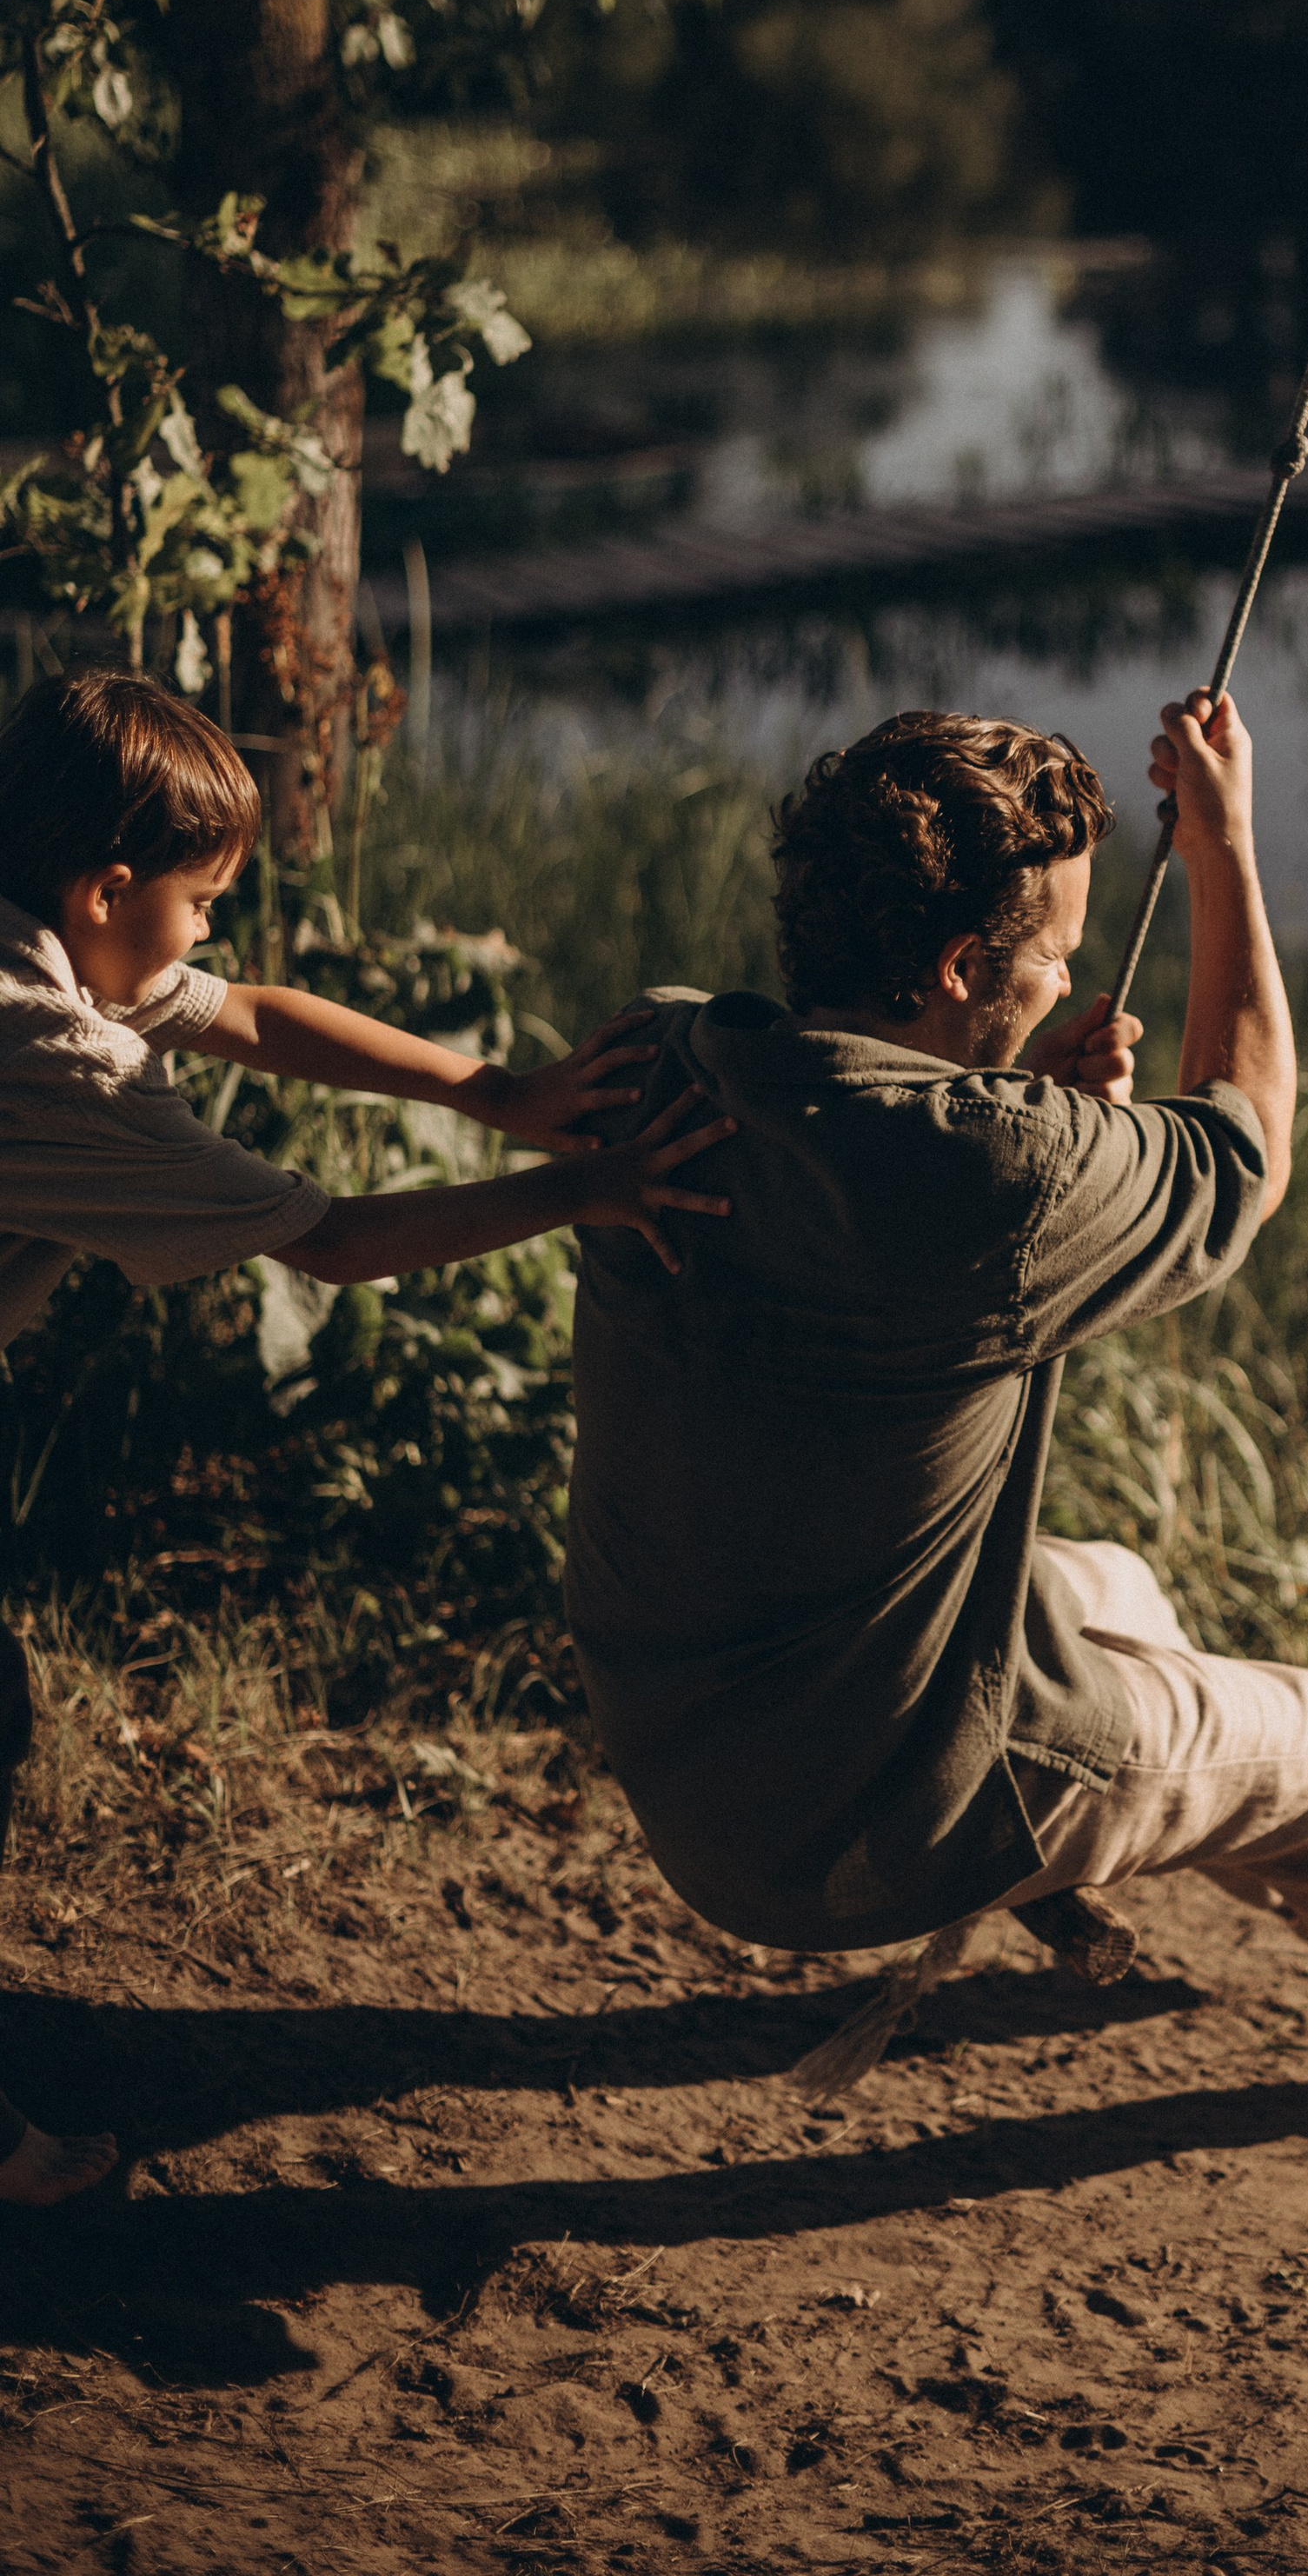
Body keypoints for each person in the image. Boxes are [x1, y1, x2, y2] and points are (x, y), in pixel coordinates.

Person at [566, 687, 1308, 2066]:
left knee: (1112, 1589)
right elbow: (1250, 1149)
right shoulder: (1000, 1175)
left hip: (684, 1757)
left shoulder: (660, 1059)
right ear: (957, 967)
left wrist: (1025, 1104)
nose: (1065, 982)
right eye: (1053, 955)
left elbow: (875, 1184)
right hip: (862, 1826)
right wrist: (1224, 849)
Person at [0, 668, 731, 2207]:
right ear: (107, 888)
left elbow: (254, 1014)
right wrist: (584, 1191)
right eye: (204, 900)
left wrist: (508, 1094)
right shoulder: (53, 1057)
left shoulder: (49, 936)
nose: (209, 933)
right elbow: (327, 1243)